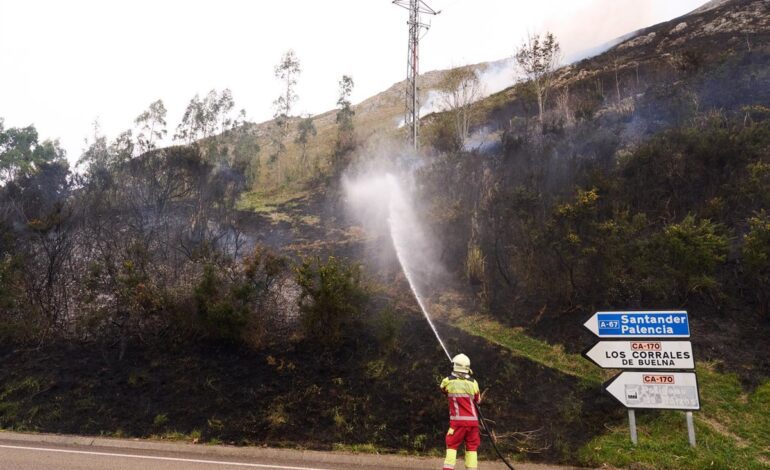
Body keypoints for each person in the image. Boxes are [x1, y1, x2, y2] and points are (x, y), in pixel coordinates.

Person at [440, 353, 481, 470]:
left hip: (458, 423)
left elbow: (443, 389)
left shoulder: (448, 381)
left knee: (452, 445)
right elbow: (478, 400)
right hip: (473, 423)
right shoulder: (474, 382)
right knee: (472, 448)